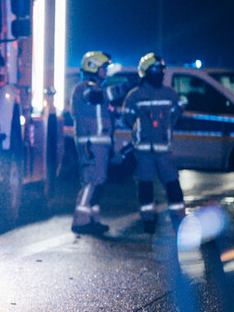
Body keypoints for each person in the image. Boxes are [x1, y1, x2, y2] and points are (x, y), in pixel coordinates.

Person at [121, 53, 186, 234]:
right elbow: (127, 117)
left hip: (163, 150)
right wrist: (142, 129)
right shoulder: (135, 95)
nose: (160, 73)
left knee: (173, 184)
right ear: (146, 72)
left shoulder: (169, 93)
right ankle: (148, 219)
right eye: (156, 70)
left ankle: (179, 218)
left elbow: (178, 110)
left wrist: (167, 127)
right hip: (143, 152)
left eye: (161, 70)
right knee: (145, 186)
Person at [69, 51, 116, 236]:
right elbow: (95, 97)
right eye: (103, 68)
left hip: (100, 143)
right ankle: (80, 221)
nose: (105, 72)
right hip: (90, 144)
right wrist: (123, 88)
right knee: (91, 181)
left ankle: (93, 219)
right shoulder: (84, 89)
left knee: (99, 182)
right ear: (93, 67)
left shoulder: (97, 90)